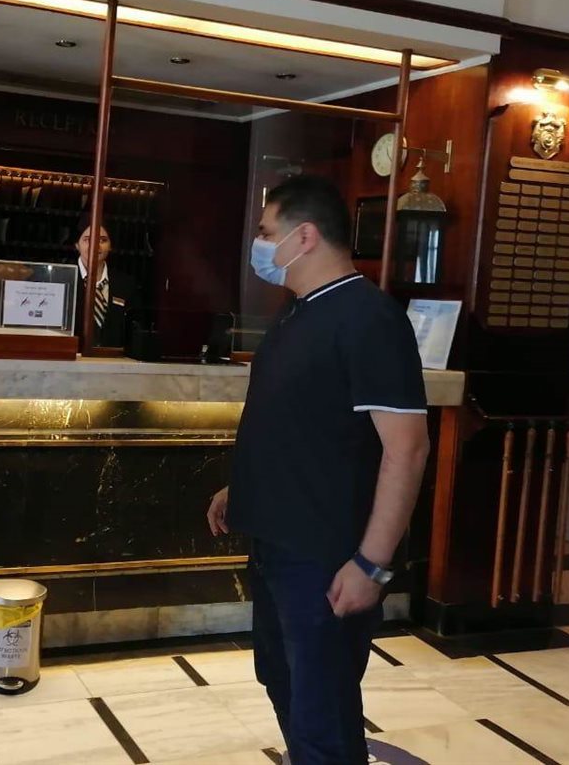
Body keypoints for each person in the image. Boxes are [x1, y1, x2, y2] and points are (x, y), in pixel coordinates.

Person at [207, 175, 429, 765]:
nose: (259, 244)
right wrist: (241, 486)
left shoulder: (369, 319)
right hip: (276, 542)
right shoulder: (296, 314)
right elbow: (298, 422)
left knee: (321, 709)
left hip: (325, 555)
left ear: (304, 236)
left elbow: (407, 449)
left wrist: (371, 565)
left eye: (266, 232)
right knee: (282, 681)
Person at [73, 211, 139, 347]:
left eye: (102, 240)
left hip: (113, 358)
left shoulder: (126, 284)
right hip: (72, 357)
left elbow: (134, 331)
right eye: (87, 239)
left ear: (110, 246)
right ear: (77, 245)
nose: (95, 245)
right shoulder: (64, 279)